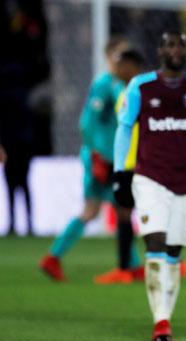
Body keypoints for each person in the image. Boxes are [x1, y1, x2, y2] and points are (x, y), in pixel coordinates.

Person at [112, 30, 186, 341]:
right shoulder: (140, 86)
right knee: (156, 246)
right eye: (170, 44)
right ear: (160, 51)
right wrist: (121, 172)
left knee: (174, 251)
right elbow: (124, 127)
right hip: (149, 178)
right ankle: (161, 321)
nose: (176, 49)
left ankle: (166, 314)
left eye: (181, 44)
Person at [39, 40, 143, 282]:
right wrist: (100, 155)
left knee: (120, 208)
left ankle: (132, 265)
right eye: (119, 55)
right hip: (101, 158)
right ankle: (53, 257)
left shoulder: (119, 85)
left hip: (113, 158)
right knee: (93, 209)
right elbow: (87, 123)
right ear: (110, 57)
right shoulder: (104, 84)